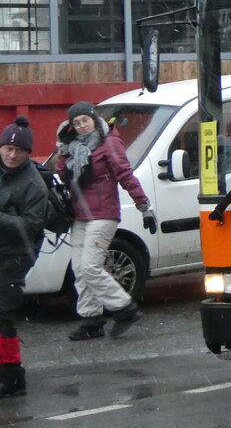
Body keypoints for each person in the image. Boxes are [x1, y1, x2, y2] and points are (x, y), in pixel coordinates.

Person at [56, 101, 156, 341]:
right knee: (80, 269)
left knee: (91, 266)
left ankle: (125, 309)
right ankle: (91, 320)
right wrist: (62, 151)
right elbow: (62, 174)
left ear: (94, 119)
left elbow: (125, 175)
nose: (81, 126)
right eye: (76, 123)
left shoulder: (109, 142)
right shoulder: (73, 146)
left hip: (103, 214)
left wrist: (144, 206)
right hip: (80, 214)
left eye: (84, 120)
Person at [0, 116, 47, 397]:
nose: (12, 154)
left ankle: (13, 377)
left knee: (3, 314)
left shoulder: (33, 185)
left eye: (18, 151)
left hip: (17, 255)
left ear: (27, 153)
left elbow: (30, 226)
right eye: (7, 148)